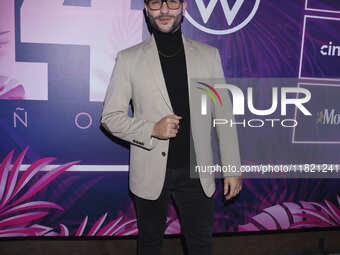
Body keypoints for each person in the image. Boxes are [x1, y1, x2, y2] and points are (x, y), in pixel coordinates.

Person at [101, 0, 242, 254]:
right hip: (150, 171)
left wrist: (231, 167)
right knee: (150, 245)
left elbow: (223, 115)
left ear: (184, 7)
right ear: (146, 10)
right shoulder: (128, 59)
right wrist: (151, 130)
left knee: (201, 245)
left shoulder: (209, 56)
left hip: (198, 173)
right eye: (156, 3)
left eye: (172, 2)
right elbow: (110, 117)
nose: (164, 10)